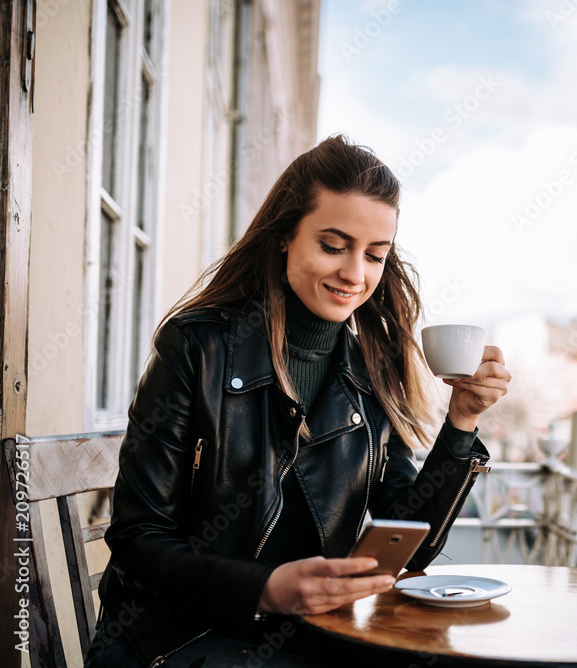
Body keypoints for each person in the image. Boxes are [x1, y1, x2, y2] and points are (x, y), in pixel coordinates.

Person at [84, 135, 511, 667]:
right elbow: (137, 540)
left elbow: (411, 542)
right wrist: (265, 588)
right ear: (286, 234)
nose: (356, 275)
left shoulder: (368, 370)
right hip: (177, 640)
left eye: (375, 255)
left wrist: (462, 423)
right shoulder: (197, 346)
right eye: (334, 246)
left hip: (311, 636)